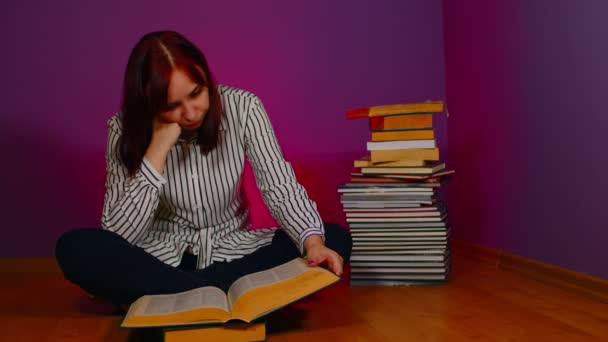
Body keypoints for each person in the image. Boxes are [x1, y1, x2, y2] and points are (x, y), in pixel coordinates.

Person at [55, 30, 352, 306]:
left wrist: (313, 244)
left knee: (332, 237)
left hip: (233, 251)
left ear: (206, 79)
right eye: (172, 106)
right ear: (147, 103)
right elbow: (118, 237)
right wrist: (157, 148)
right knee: (76, 248)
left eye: (196, 93)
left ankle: (178, 296)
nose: (191, 113)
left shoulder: (243, 108)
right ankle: (230, 294)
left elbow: (280, 188)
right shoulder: (122, 130)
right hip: (160, 259)